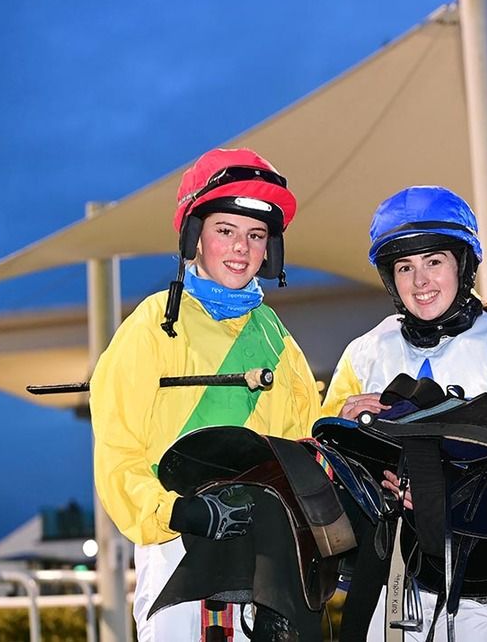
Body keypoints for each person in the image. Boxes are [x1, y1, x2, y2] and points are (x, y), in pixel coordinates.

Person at [321, 185, 487, 641]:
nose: (420, 281)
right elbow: (320, 457)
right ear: (390, 278)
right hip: (387, 579)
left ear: (463, 264)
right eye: (405, 267)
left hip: (479, 582)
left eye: (433, 262)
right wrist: (342, 419)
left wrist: (461, 495)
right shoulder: (364, 353)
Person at [90, 147, 321, 642]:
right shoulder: (151, 327)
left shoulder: (279, 341)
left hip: (267, 557)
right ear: (195, 237)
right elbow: (118, 451)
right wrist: (175, 511)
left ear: (269, 250)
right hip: (179, 544)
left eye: (255, 236)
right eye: (225, 231)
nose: (241, 248)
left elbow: (306, 449)